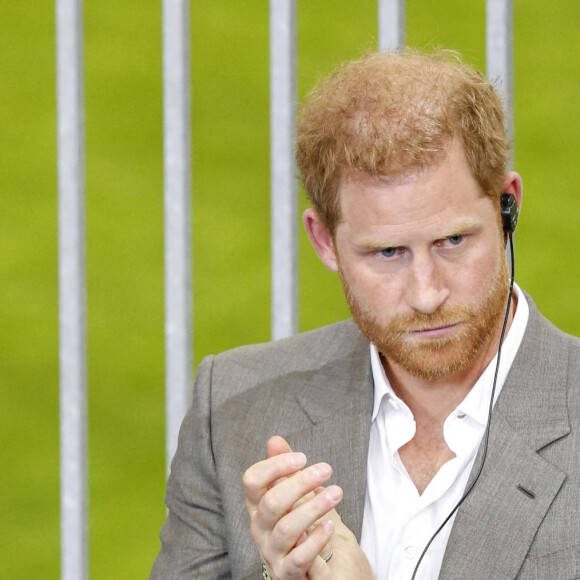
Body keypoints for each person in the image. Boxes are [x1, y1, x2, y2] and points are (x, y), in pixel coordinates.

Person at [150, 50, 580, 580]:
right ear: (325, 241)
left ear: (507, 208)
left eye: (452, 240)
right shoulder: (236, 409)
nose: (426, 294)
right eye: (387, 253)